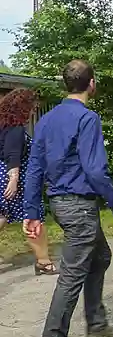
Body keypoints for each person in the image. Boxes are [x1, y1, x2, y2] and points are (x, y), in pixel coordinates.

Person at [23, 60, 113, 337]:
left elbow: (34, 168)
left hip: (61, 204)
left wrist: (32, 211)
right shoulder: (87, 119)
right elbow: (95, 170)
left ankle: (97, 326)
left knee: (101, 258)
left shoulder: (47, 120)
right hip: (79, 206)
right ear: (91, 84)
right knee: (72, 274)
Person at [0, 89, 57, 275]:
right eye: (32, 107)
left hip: (4, 176)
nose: (33, 111)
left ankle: (43, 260)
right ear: (23, 107)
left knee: (3, 216)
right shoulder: (15, 128)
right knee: (33, 217)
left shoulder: (3, 125)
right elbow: (13, 154)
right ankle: (43, 262)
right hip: (14, 180)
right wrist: (14, 179)